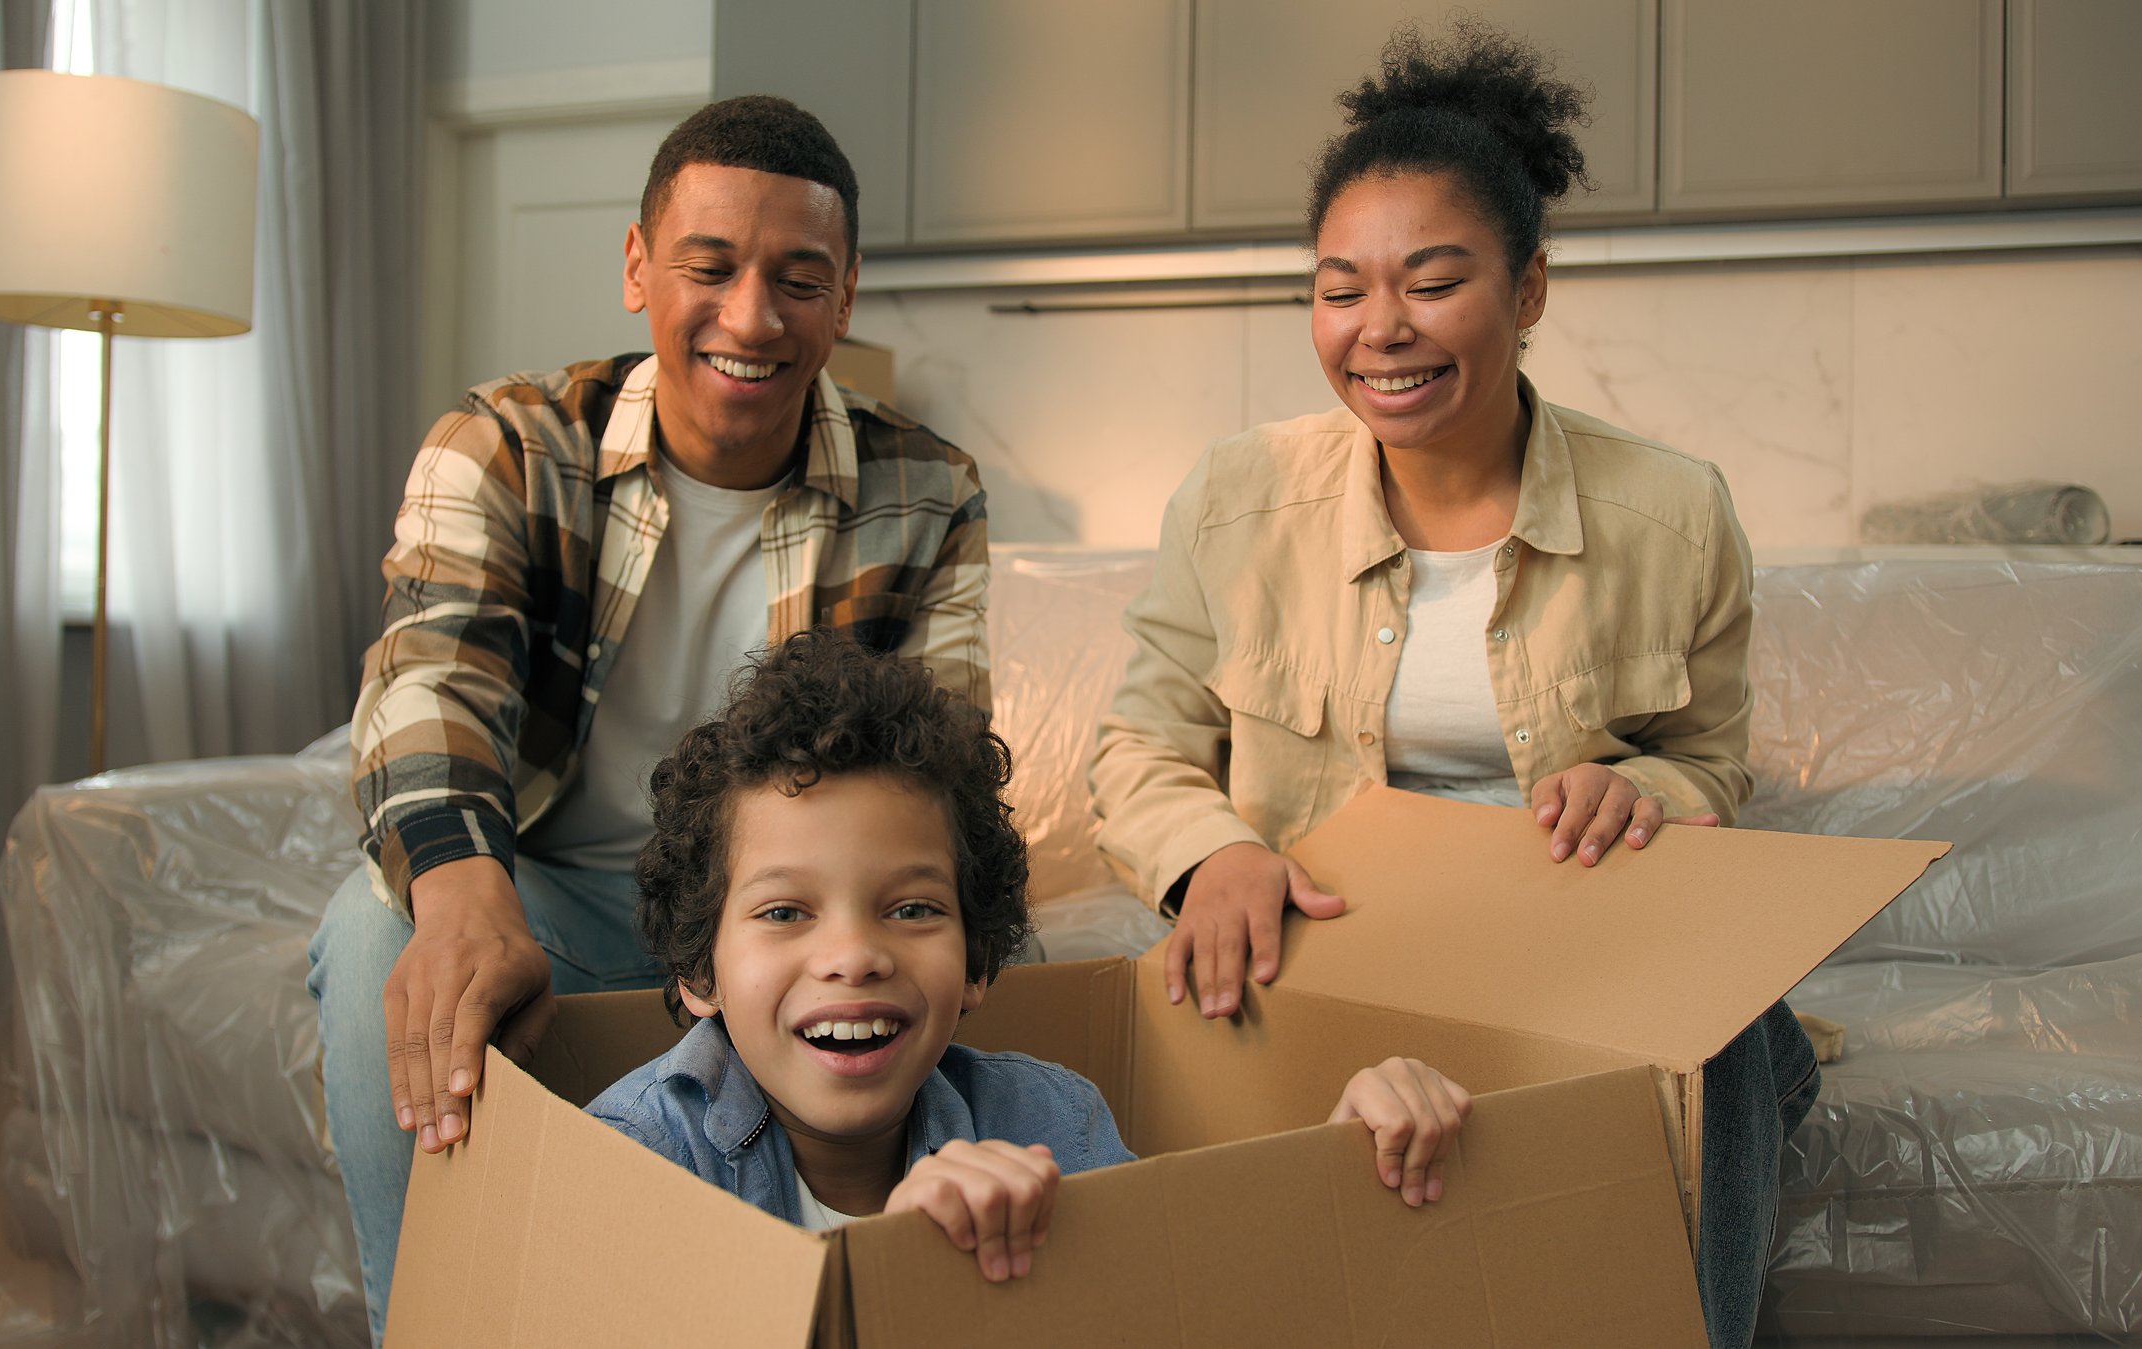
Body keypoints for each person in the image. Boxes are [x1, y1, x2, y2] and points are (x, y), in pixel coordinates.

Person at [1086, 23, 1812, 1349]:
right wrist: (1209, 857)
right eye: (1339, 290)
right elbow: (1139, 748)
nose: (1381, 332)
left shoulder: (1675, 512)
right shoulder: (1237, 497)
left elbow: (1713, 764)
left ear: (1528, 290)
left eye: (1431, 282)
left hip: (1579, 946)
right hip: (1332, 942)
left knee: (1746, 1029)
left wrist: (1638, 786)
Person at [305, 96, 991, 1342]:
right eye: (709, 267)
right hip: (557, 899)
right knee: (374, 941)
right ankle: (431, 1318)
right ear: (637, 268)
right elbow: (430, 683)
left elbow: (939, 761)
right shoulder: (506, 445)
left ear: (843, 300)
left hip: (779, 916)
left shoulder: (927, 486)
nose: (750, 317)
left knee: (1003, 956)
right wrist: (463, 897)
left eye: (799, 279)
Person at [589, 630, 1475, 1277]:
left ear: (977, 962)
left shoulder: (1048, 1118)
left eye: (911, 907)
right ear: (699, 970)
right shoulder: (633, 1162)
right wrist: (887, 1280)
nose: (853, 954)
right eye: (785, 910)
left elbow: (1185, 1303)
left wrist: (1336, 1168)